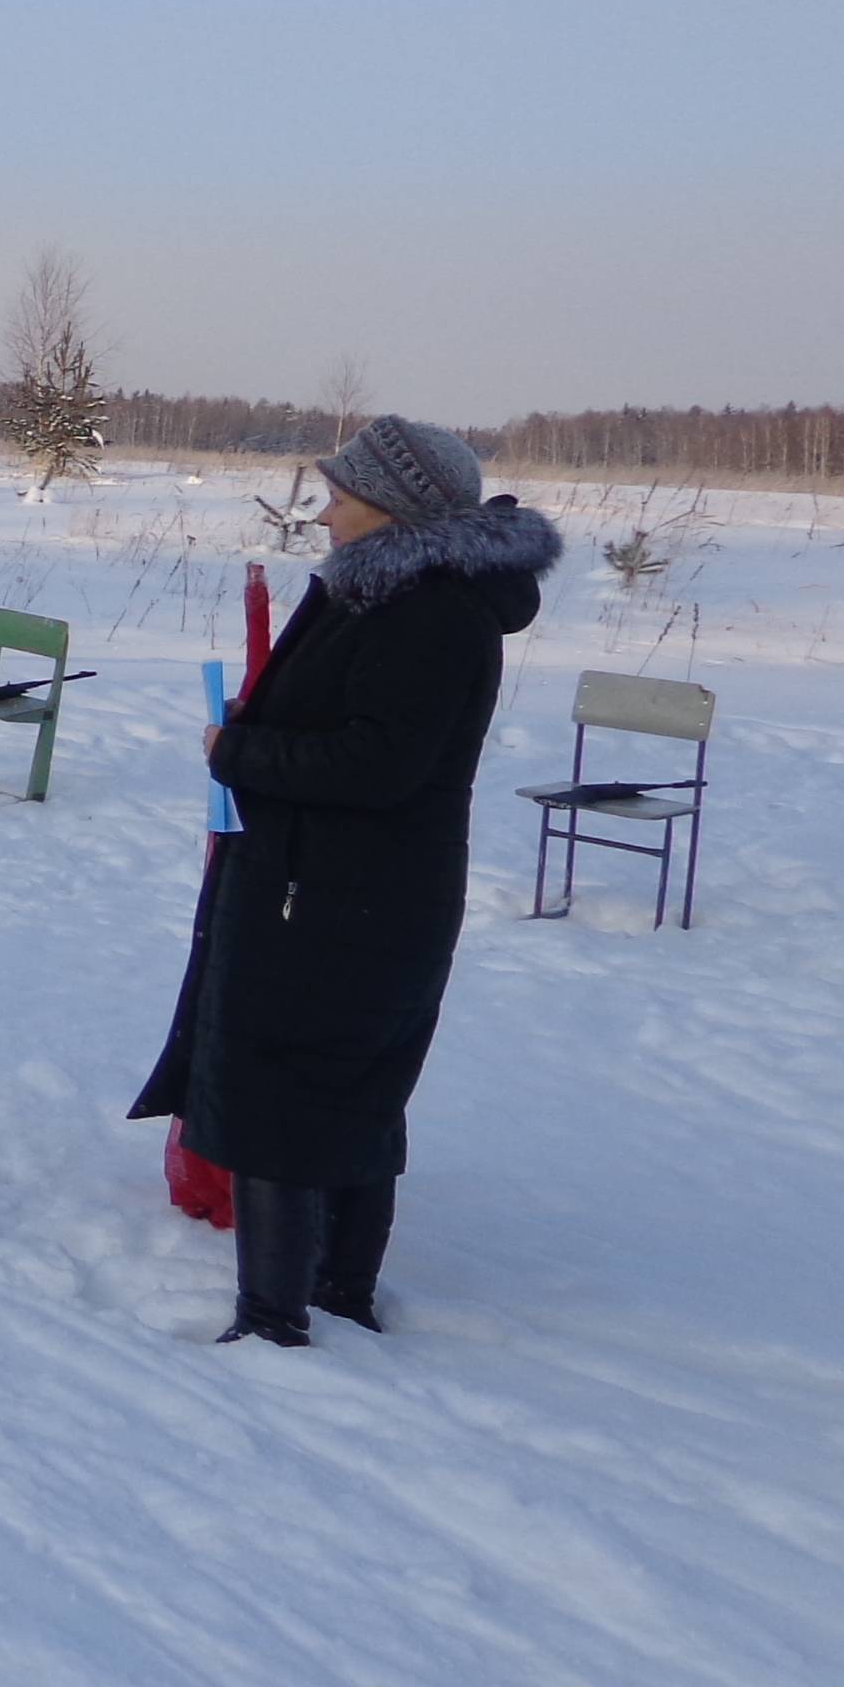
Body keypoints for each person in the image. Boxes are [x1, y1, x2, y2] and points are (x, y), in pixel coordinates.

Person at [132, 416, 561, 1345]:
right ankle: (336, 1297)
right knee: (342, 1091)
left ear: (393, 507)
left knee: (293, 1093)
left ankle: (278, 1321)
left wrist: (241, 749)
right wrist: (269, 722)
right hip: (335, 889)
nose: (323, 516)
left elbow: (378, 767)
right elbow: (356, 726)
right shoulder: (388, 592)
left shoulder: (431, 612)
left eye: (339, 497)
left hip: (339, 901)